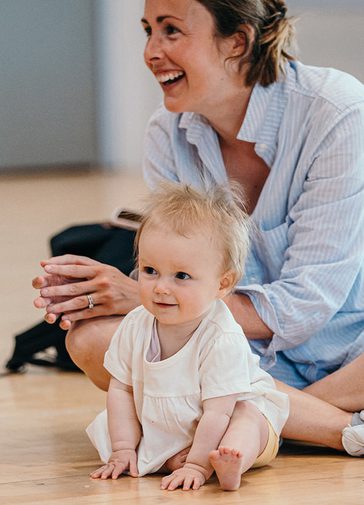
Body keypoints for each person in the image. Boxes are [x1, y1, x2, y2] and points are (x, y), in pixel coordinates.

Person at [32, 0, 364, 456]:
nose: (151, 51)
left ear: (237, 41)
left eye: (171, 31)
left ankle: (270, 418)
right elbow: (179, 277)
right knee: (92, 339)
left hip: (349, 350)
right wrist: (125, 288)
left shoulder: (336, 110)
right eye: (148, 30)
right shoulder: (166, 134)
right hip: (233, 357)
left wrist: (138, 295)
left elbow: (308, 303)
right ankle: (325, 426)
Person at [87, 182, 289, 491]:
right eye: (150, 270)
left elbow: (218, 411)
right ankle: (174, 456)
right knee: (125, 427)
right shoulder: (135, 325)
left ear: (222, 285)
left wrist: (198, 463)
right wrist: (124, 448)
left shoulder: (220, 337)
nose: (161, 287)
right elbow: (121, 391)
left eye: (181, 276)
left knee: (248, 419)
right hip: (170, 424)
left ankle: (231, 463)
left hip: (223, 417)